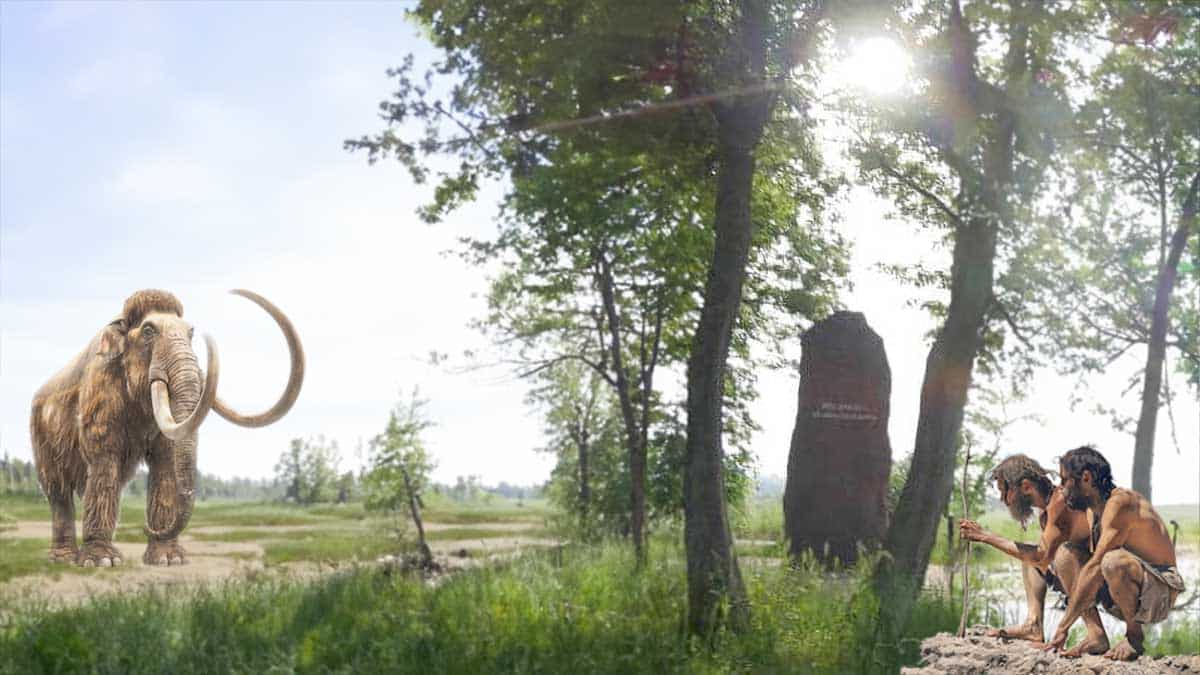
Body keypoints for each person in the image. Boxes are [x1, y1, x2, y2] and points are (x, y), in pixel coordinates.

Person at [1045, 445, 1185, 661]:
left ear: (1086, 478)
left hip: (1161, 593)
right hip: (1127, 590)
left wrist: (1063, 627)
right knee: (1065, 554)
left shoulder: (1121, 502)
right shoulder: (1093, 511)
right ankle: (1096, 635)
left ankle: (1134, 637)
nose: (1061, 488)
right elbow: (1083, 566)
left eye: (1065, 480)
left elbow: (1097, 565)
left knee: (1111, 561)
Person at [959, 454, 1108, 654]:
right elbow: (1038, 557)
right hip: (1088, 579)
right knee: (1028, 552)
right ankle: (1033, 625)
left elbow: (1043, 557)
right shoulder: (1047, 509)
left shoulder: (1062, 501)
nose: (1004, 500)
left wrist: (986, 536)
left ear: (1026, 487)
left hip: (1107, 580)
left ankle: (1096, 633)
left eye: (1005, 491)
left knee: (1057, 554)